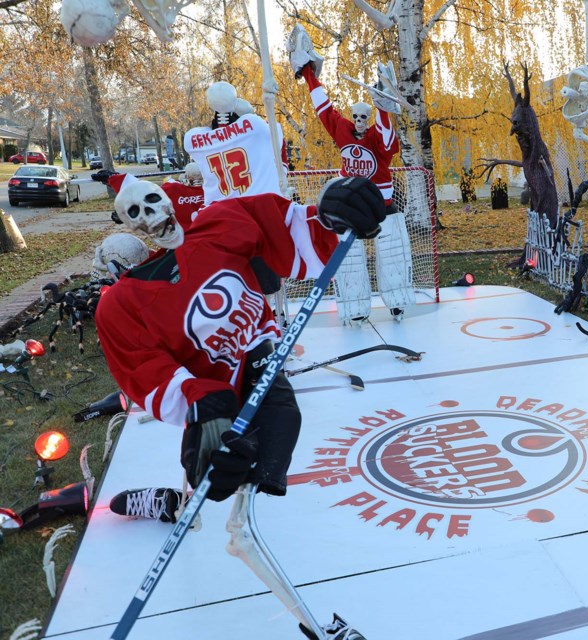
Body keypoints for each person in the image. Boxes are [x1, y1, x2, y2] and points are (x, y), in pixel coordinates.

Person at [96, 176, 383, 639]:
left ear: (168, 199)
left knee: (255, 477)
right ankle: (180, 499)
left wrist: (332, 216)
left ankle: (182, 500)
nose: (150, 217)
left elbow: (291, 231)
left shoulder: (222, 224)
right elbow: (146, 370)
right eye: (135, 214)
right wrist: (201, 405)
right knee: (221, 484)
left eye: (152, 202)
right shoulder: (121, 304)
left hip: (262, 381)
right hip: (218, 406)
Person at [287, 23, 416, 325]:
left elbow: (387, 139)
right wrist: (308, 75)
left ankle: (397, 303)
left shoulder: (377, 137)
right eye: (355, 116)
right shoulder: (343, 130)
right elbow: (324, 109)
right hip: (352, 208)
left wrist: (383, 108)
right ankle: (356, 308)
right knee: (349, 260)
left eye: (365, 117)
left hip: (384, 207)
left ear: (369, 119)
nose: (358, 122)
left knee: (393, 255)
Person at [91, 162, 204, 232]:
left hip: (178, 244)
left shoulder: (173, 189)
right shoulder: (215, 191)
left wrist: (114, 178)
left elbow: (144, 191)